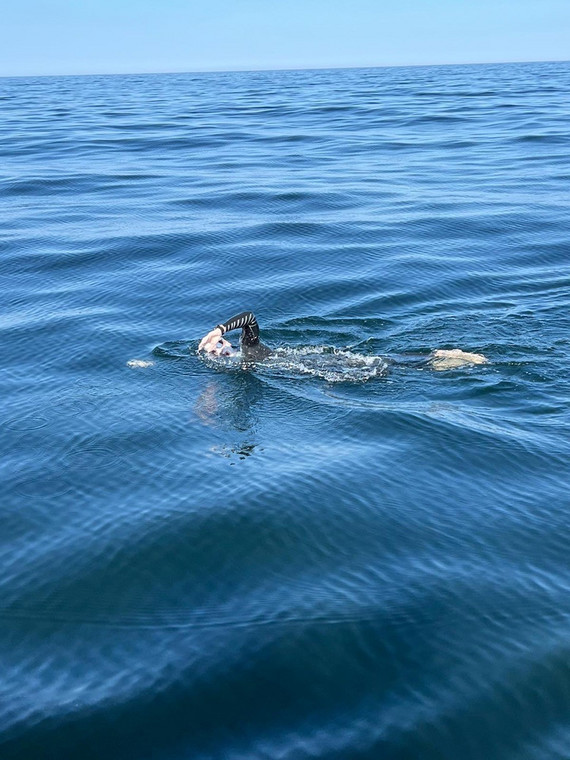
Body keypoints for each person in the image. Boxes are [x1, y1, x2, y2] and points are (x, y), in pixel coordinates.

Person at [198, 311, 487, 370]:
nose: (220, 349)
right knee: (383, 363)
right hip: (317, 364)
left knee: (382, 365)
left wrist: (218, 330)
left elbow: (249, 317)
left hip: (318, 363)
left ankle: (438, 358)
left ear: (231, 343)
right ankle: (438, 358)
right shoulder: (245, 364)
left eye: (221, 344)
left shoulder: (251, 351)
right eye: (214, 350)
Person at [198, 311, 272, 361]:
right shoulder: (241, 364)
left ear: (226, 342)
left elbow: (250, 317)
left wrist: (220, 330)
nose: (219, 351)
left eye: (219, 344)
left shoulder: (249, 346)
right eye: (213, 352)